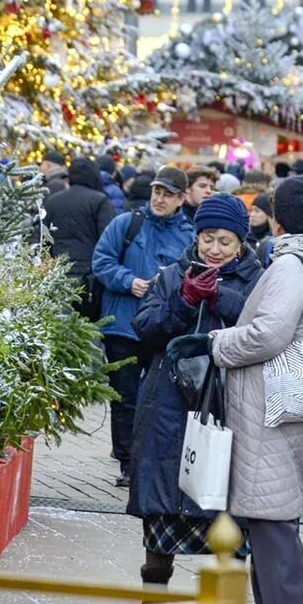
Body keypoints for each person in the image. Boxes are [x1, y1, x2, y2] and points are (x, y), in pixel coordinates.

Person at [174, 177, 303, 604]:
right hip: (292, 402)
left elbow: (269, 334)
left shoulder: (291, 264)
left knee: (272, 520)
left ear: (285, 217)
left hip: (271, 402)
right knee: (270, 518)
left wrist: (216, 345)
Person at [128, 194, 262, 604]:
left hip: (230, 406)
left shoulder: (259, 280)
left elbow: (266, 329)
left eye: (225, 241)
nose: (215, 249)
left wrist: (221, 298)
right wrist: (183, 300)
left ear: (241, 243)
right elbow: (145, 329)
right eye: (208, 239)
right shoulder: (170, 275)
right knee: (164, 505)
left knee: (228, 510)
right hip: (169, 406)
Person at [91, 167, 196, 487]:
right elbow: (102, 261)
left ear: (180, 199)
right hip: (122, 324)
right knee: (124, 397)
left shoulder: (188, 235)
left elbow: (194, 273)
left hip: (162, 327)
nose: (160, 199)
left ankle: (153, 458)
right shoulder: (126, 224)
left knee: (158, 397)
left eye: (168, 194)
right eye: (157, 192)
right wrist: (129, 281)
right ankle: (126, 461)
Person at [38, 157, 117, 320]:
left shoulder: (52, 201)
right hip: (89, 277)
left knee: (59, 324)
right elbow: (108, 239)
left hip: (58, 273)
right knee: (88, 329)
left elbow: (43, 239)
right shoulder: (100, 201)